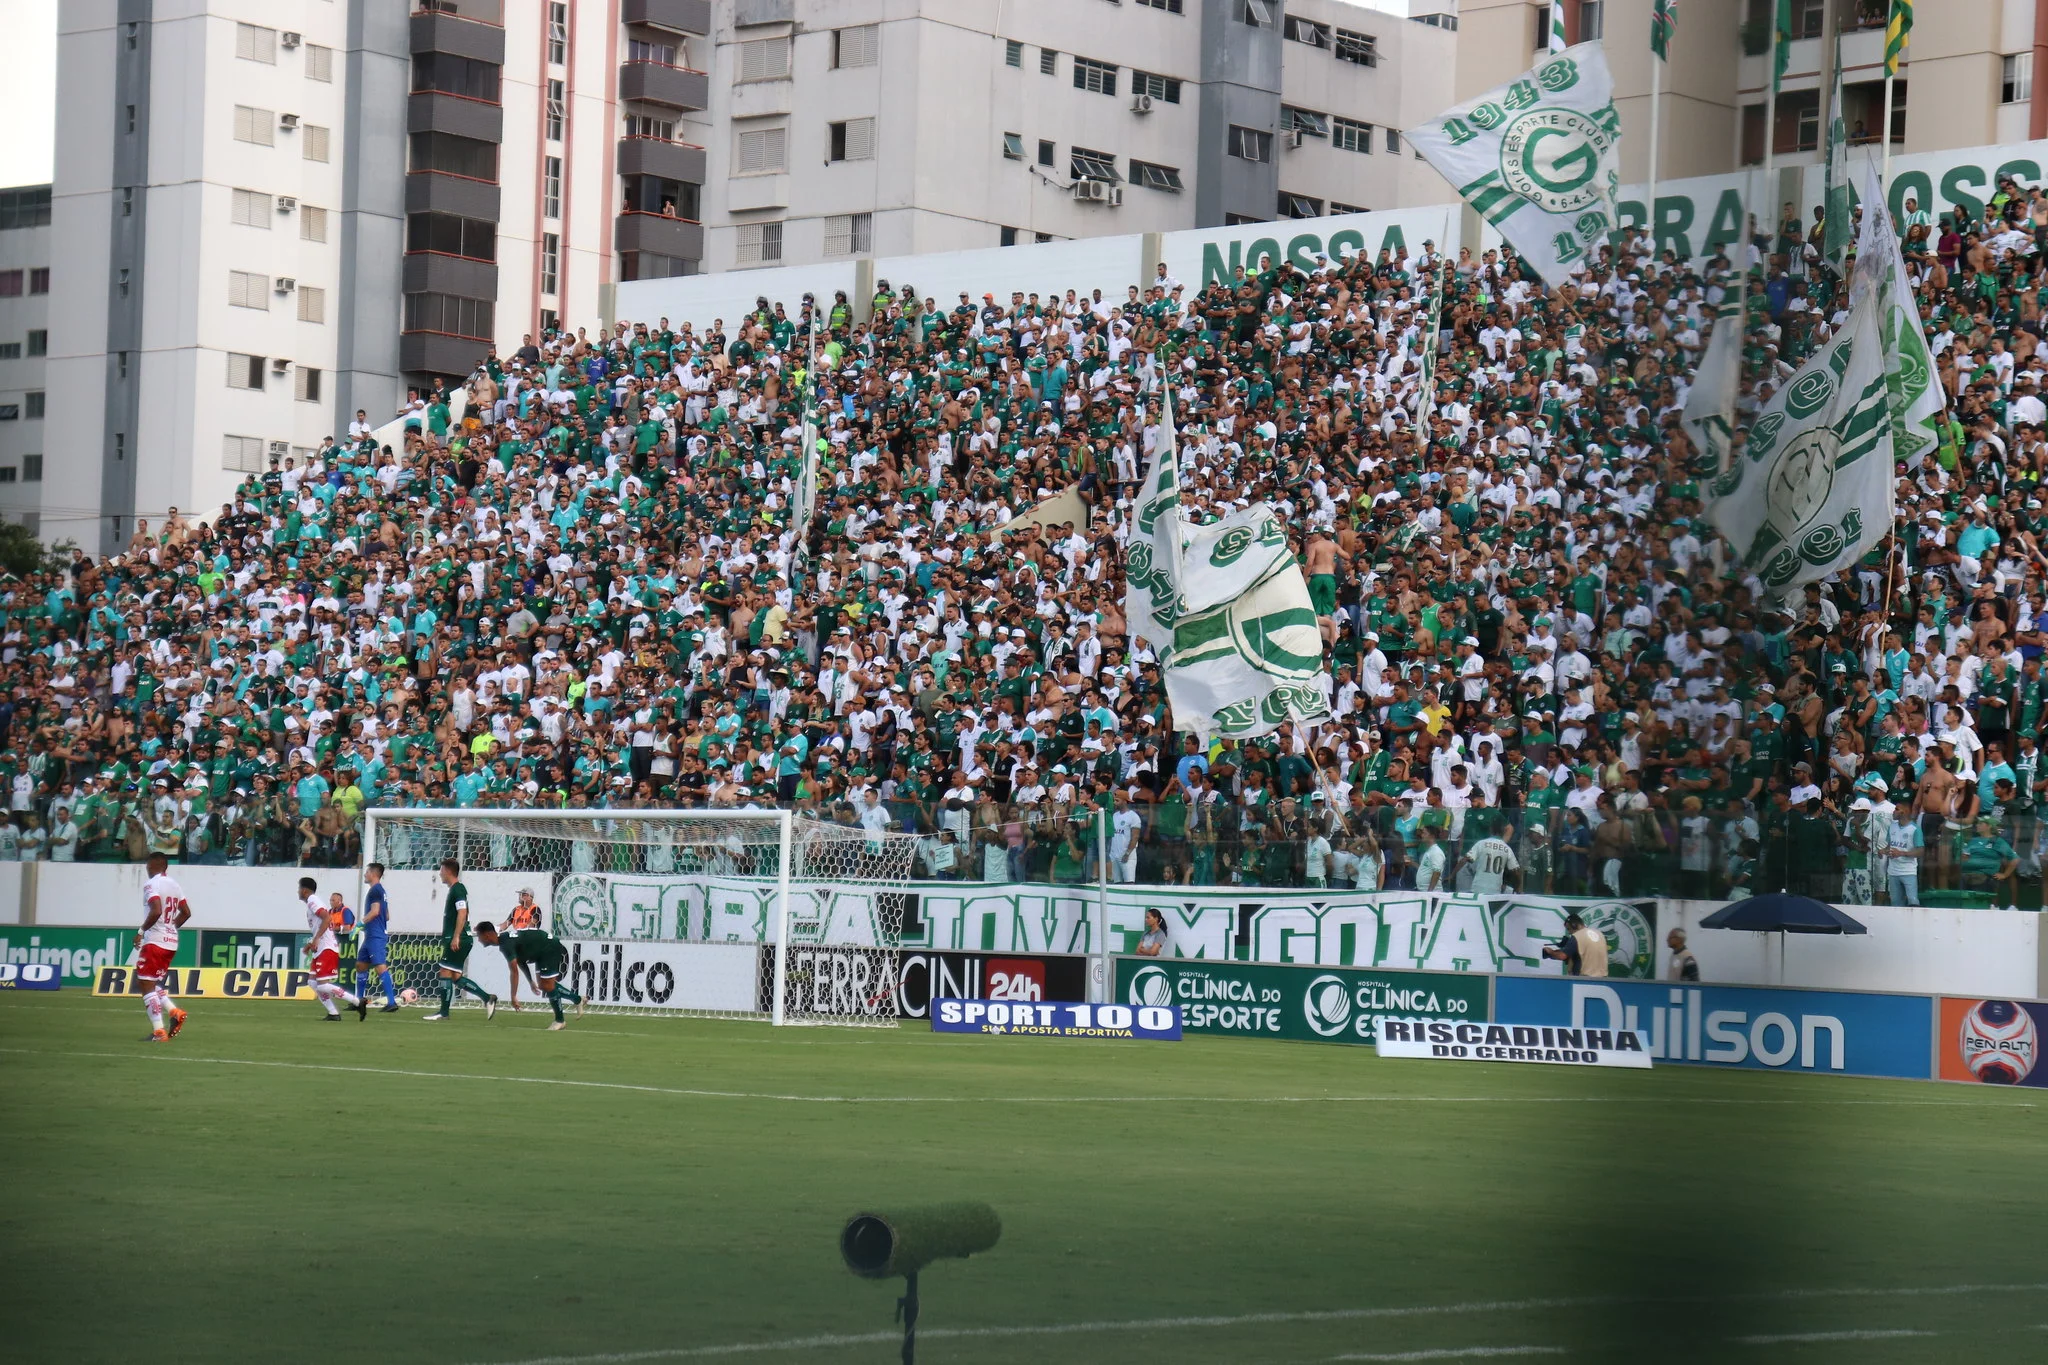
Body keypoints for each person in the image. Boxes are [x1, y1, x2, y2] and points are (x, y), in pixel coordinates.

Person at [475, 920, 584, 1031]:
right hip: (540, 951)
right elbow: (520, 961)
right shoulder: (505, 941)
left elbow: (514, 972)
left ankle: (560, 1021)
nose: (478, 940)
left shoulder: (505, 944)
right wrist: (531, 981)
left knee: (548, 986)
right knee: (543, 985)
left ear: (487, 935)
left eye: (479, 936)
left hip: (548, 947)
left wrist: (513, 996)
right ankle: (578, 999)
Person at [425, 858, 497, 1022]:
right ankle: (487, 998)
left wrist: (456, 936)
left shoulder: (458, 890)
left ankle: (443, 1013)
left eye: (441, 870)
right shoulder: (456, 889)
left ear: (448, 871)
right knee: (455, 977)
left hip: (459, 938)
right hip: (460, 938)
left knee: (444, 972)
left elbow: (462, 912)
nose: (440, 873)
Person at [134, 851, 191, 1042]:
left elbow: (156, 910)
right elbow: (186, 912)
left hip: (155, 941)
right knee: (151, 982)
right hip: (170, 942)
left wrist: (141, 930)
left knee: (144, 983)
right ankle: (174, 1011)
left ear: (152, 865)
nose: (147, 869)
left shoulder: (152, 884)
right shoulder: (175, 885)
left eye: (147, 866)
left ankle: (159, 1031)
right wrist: (170, 928)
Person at [301, 876, 367, 1022]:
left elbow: (327, 919)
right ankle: (333, 1013)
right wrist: (312, 943)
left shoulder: (313, 900)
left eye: (299, 888)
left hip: (327, 949)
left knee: (323, 986)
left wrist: (317, 939)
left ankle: (358, 1002)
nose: (298, 891)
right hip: (320, 949)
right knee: (312, 982)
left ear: (304, 890)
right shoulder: (312, 902)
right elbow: (322, 923)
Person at [355, 861, 399, 1013]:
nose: (365, 875)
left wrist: (361, 923)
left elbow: (375, 912)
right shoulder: (381, 891)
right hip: (371, 935)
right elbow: (386, 915)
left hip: (376, 936)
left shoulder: (375, 891)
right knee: (361, 965)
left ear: (373, 874)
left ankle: (392, 1002)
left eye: (367, 872)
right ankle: (358, 1001)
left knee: (380, 967)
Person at [1457, 816, 1521, 893]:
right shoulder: (1507, 848)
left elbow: (1464, 860)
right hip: (1495, 890)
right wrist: (1517, 887)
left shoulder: (1481, 843)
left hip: (1478, 888)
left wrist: (1452, 875)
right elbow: (1516, 871)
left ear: (1490, 829)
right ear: (1503, 831)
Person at [1542, 911, 1609, 977]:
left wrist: (1550, 952)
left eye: (1569, 929)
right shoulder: (1599, 934)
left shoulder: (1577, 936)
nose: (1569, 932)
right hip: (1602, 978)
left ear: (1574, 925)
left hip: (1584, 979)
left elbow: (1561, 956)